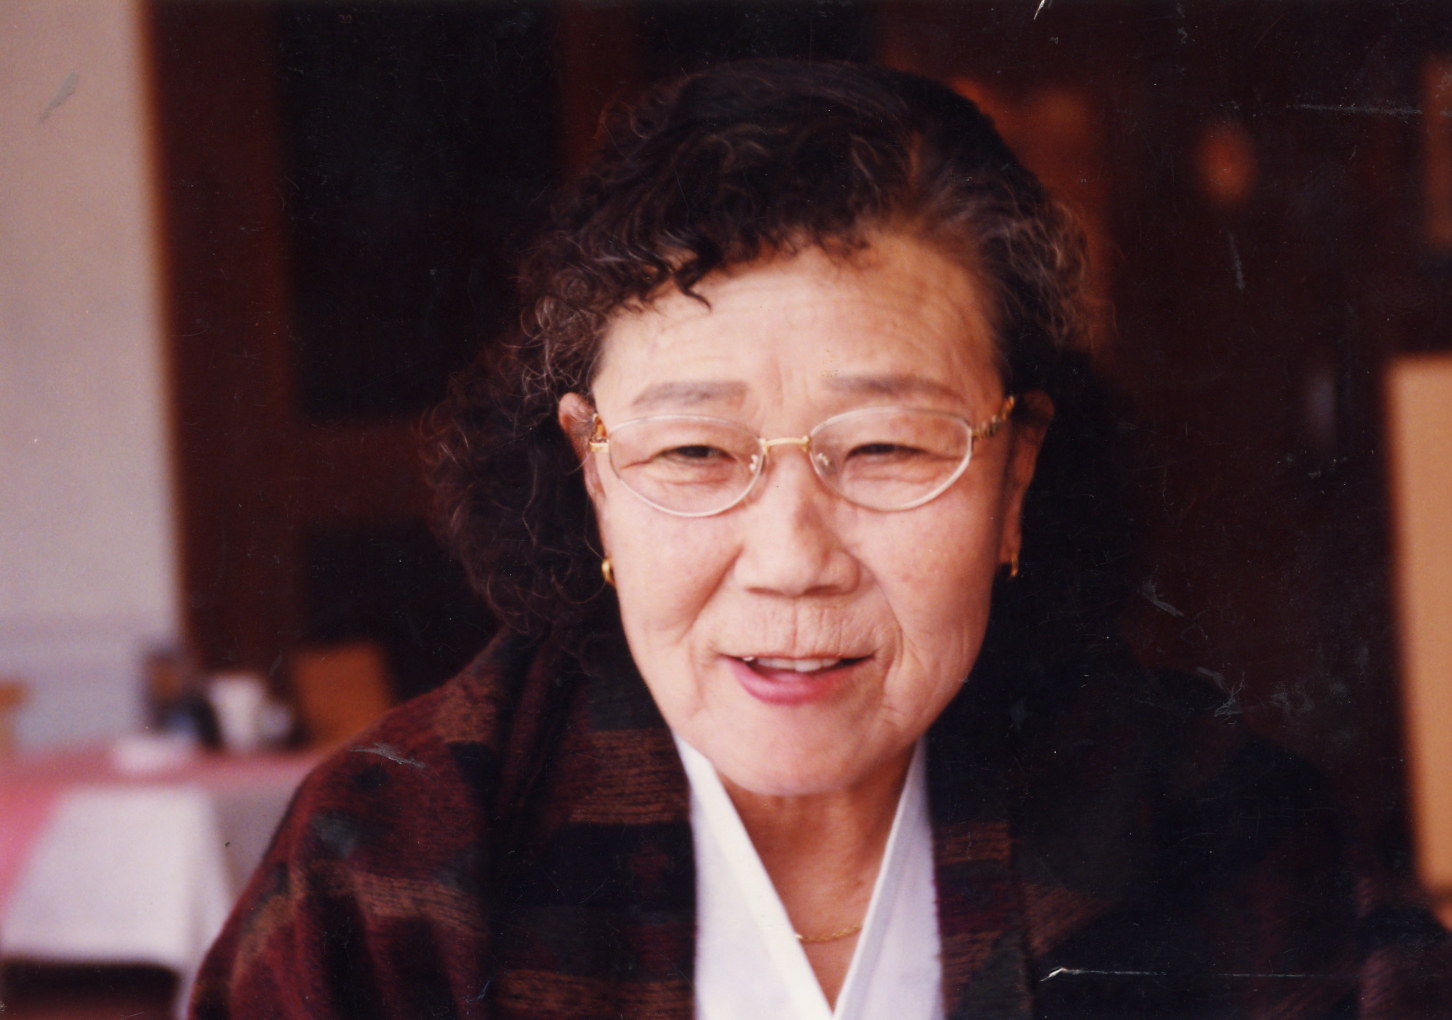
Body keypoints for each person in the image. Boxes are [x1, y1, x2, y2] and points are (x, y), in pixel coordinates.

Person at [191, 60, 1451, 1020]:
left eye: (888, 447)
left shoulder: (1231, 838)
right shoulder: (394, 865)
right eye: (695, 453)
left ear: (1015, 473)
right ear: (592, 476)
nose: (794, 557)